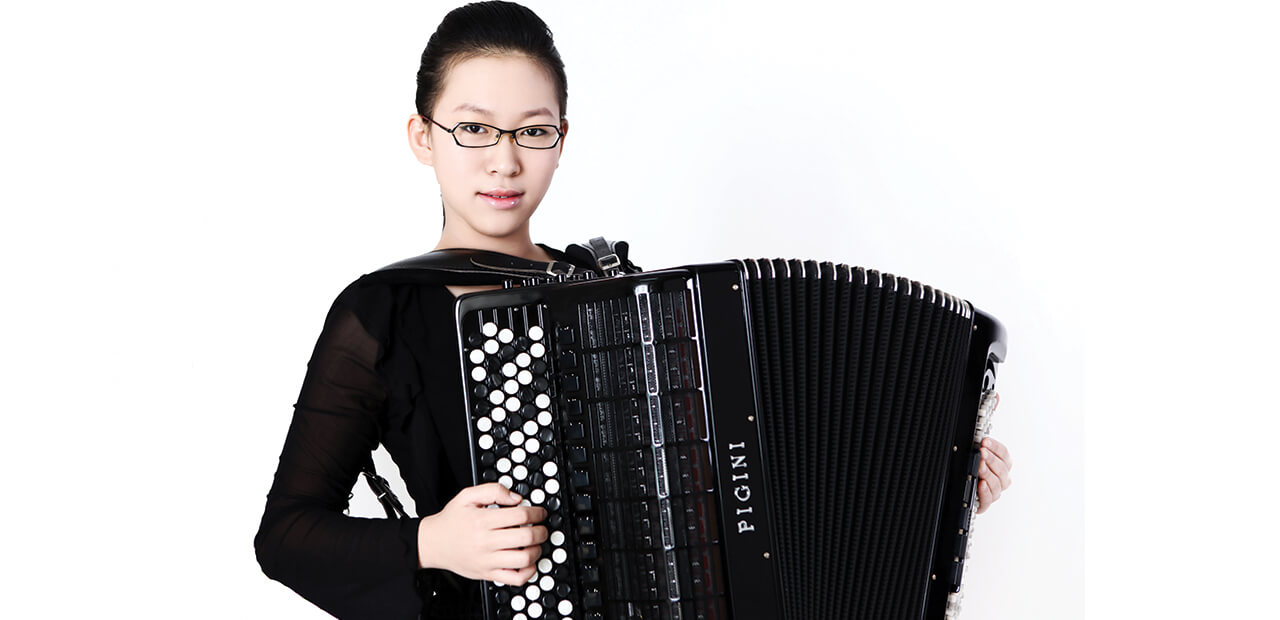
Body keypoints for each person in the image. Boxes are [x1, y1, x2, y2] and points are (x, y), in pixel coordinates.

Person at [254, 2, 1013, 619]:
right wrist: (433, 543)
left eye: (533, 131)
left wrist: (939, 478)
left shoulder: (619, 296)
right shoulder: (382, 313)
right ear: (424, 137)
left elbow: (738, 486)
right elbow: (285, 537)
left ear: (561, 140)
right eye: (474, 128)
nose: (504, 159)